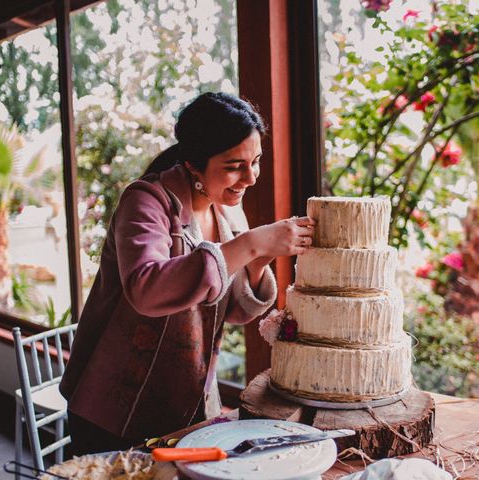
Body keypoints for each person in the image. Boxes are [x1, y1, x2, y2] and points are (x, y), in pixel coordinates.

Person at [59, 92, 315, 455]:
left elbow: (237, 311)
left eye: (255, 161)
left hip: (186, 405)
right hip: (115, 411)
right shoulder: (146, 201)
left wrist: (259, 258)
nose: (251, 177)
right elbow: (146, 289)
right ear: (195, 164)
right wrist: (250, 246)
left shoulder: (226, 211)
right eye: (234, 165)